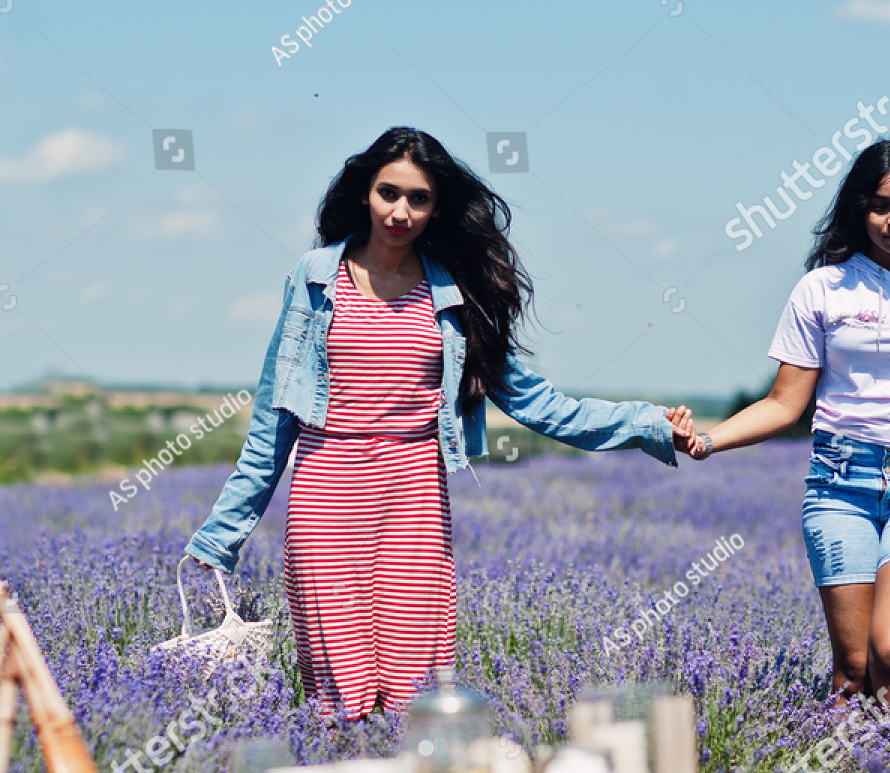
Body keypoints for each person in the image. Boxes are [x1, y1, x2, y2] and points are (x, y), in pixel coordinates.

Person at [185, 127, 694, 720]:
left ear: (437, 206)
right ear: (363, 194)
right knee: (338, 696)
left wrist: (649, 423)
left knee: (417, 694)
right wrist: (223, 534)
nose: (400, 212)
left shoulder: (457, 296)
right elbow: (275, 414)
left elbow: (542, 404)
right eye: (388, 193)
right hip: (326, 498)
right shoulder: (315, 279)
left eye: (419, 198)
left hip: (414, 496)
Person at [688, 138, 890, 708]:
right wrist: (708, 440)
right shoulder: (823, 287)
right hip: (840, 486)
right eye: (880, 206)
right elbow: (786, 403)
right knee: (854, 671)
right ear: (858, 209)